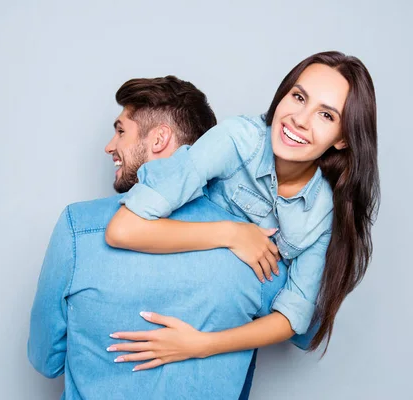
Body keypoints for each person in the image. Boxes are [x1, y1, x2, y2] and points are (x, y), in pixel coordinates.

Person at [105, 51, 380, 374]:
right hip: (172, 289)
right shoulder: (237, 140)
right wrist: (232, 233)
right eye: (298, 97)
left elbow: (293, 319)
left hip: (225, 337)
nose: (299, 120)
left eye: (326, 116)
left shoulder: (324, 213)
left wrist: (202, 345)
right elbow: (120, 230)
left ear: (344, 139)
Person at [27, 76, 300, 399]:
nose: (109, 146)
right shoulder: (254, 245)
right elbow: (304, 329)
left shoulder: (78, 227)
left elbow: (46, 360)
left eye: (121, 131)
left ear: (159, 140)